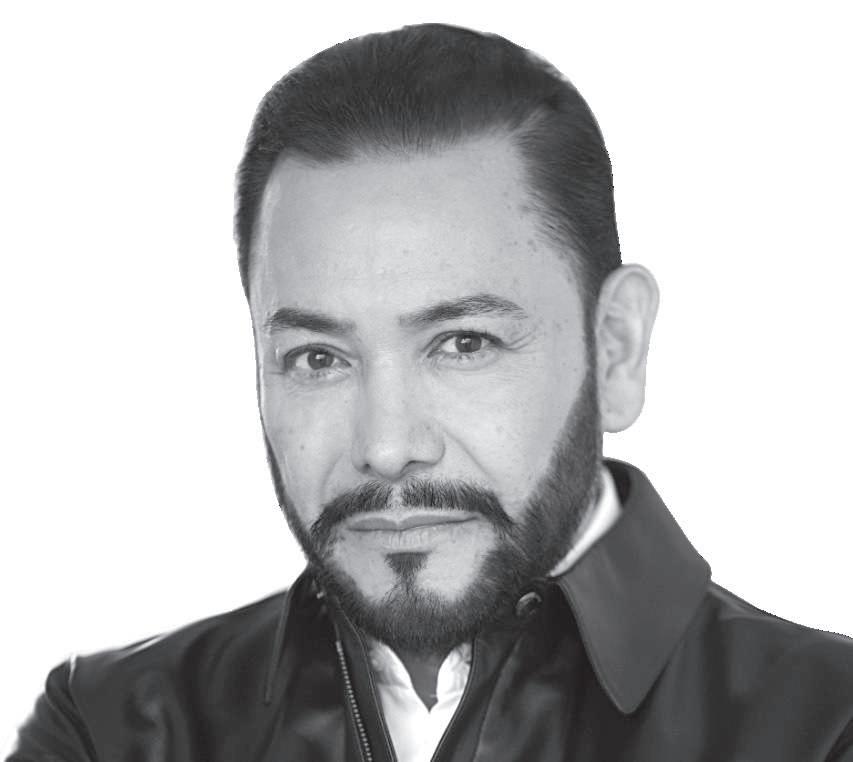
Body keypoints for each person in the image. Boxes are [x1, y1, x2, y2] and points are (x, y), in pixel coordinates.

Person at [8, 22, 853, 762]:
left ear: (615, 348)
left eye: (463, 344)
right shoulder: (113, 727)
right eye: (317, 358)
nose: (385, 446)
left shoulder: (825, 726)